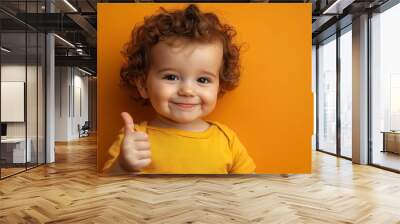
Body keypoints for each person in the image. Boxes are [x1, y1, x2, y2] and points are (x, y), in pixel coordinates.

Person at [103, 4, 256, 174]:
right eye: (171, 77)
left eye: (203, 79)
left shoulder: (227, 140)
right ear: (143, 85)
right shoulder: (134, 139)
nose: (187, 90)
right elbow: (107, 189)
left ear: (219, 85)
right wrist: (122, 166)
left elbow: (249, 187)